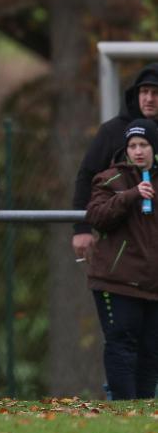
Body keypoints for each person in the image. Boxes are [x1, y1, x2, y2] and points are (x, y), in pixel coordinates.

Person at [85, 120, 158, 400]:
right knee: (122, 345)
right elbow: (97, 216)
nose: (138, 151)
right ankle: (123, 409)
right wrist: (130, 196)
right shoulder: (111, 179)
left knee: (151, 350)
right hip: (117, 281)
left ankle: (143, 408)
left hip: (152, 283)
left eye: (144, 145)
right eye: (133, 146)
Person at [73, 64, 158, 260]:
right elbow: (86, 177)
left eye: (155, 92)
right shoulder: (111, 132)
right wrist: (81, 227)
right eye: (144, 91)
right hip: (122, 241)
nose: (149, 98)